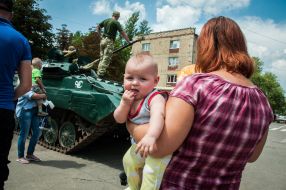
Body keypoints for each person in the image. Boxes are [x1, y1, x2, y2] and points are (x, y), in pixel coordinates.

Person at [127, 16, 274, 189]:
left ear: (205, 46)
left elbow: (160, 147)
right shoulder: (263, 101)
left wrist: (130, 123)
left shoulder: (195, 85)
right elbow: (252, 156)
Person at [113, 53, 171, 190]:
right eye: (129, 78)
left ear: (155, 81)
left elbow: (159, 115)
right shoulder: (128, 99)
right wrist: (124, 104)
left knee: (150, 173)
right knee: (128, 161)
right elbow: (119, 119)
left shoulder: (155, 97)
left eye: (143, 79)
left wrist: (151, 136)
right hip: (140, 146)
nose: (134, 82)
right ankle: (133, 187)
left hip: (156, 145)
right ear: (123, 78)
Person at [0, 0, 32, 188]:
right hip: (3, 109)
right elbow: (26, 85)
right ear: (11, 14)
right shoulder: (20, 39)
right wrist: (8, 97)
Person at [15, 90, 46, 164]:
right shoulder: (24, 85)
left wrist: (42, 94)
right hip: (25, 110)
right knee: (24, 134)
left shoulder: (34, 86)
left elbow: (42, 96)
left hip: (35, 110)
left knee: (37, 132)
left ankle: (30, 154)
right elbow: (33, 96)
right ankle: (20, 156)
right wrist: (43, 95)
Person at [96, 11, 130, 78]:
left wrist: (99, 35)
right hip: (109, 41)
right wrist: (128, 41)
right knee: (106, 58)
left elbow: (98, 26)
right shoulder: (116, 22)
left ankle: (98, 73)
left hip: (102, 40)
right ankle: (100, 74)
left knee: (102, 58)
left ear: (112, 15)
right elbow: (122, 33)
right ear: (118, 16)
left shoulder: (106, 20)